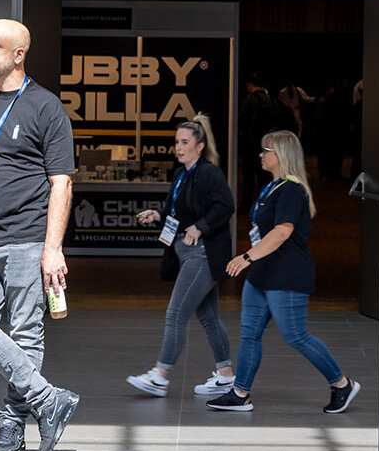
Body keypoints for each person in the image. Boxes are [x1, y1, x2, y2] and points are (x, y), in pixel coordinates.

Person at [0, 19, 81, 451]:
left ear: (19, 54)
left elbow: (61, 183)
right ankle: (48, 399)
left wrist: (52, 248)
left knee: (27, 333)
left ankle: (11, 423)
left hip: (28, 239)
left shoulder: (45, 108)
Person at [208, 130, 358, 414]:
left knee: (296, 336)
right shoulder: (273, 187)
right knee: (250, 334)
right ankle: (240, 393)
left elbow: (282, 232)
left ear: (281, 156)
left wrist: (247, 257)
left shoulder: (292, 190)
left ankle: (342, 384)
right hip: (262, 274)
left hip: (286, 275)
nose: (261, 155)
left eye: (266, 150)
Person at [128, 114, 237, 398]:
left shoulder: (209, 173)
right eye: (177, 142)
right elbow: (178, 212)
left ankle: (160, 375)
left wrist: (200, 227)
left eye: (185, 142)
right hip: (186, 252)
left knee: (176, 314)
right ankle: (226, 375)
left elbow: (226, 206)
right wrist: (158, 215)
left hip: (202, 256)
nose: (179, 147)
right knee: (209, 317)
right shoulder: (181, 175)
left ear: (200, 146)